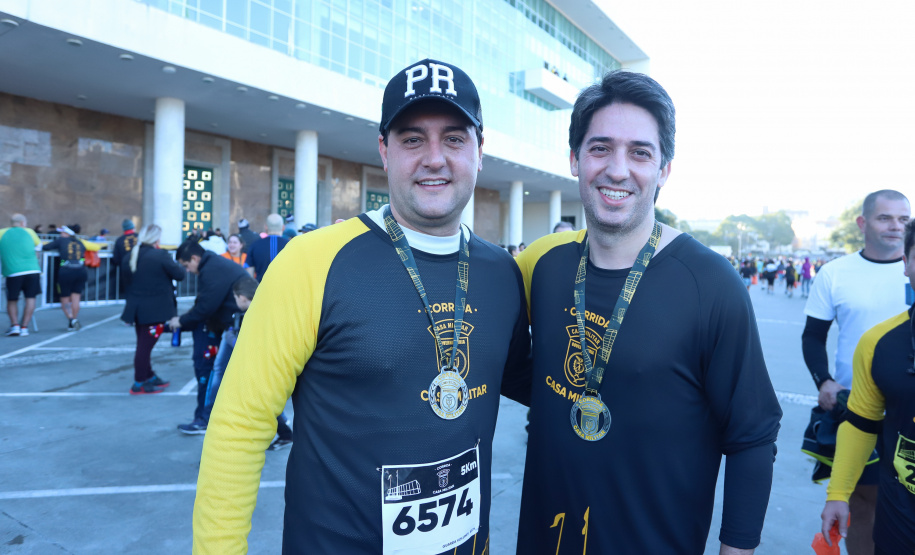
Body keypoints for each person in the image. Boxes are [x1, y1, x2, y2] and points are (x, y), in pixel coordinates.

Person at [193, 58, 531, 554]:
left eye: (455, 138)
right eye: (413, 139)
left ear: (480, 152)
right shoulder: (312, 261)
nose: (434, 158)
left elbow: (542, 385)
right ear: (384, 151)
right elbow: (239, 427)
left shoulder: (503, 273)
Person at [514, 70, 781, 554]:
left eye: (640, 152)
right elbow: (510, 364)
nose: (618, 170)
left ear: (664, 170)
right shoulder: (544, 264)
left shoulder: (711, 284)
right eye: (600, 148)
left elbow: (753, 436)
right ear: (574, 159)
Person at [802, 189, 910, 554]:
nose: (896, 226)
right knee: (863, 503)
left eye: (903, 218)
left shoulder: (909, 267)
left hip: (904, 409)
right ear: (863, 223)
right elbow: (813, 336)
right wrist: (824, 381)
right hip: (858, 409)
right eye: (885, 218)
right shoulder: (835, 273)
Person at [201, 275, 294, 450]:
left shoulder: (256, 314)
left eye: (236, 298)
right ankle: (284, 433)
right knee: (265, 401)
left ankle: (283, 433)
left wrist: (231, 339)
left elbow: (252, 346)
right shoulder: (264, 308)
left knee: (264, 402)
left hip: (259, 368)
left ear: (242, 297)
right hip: (264, 368)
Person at [167, 239, 248, 434]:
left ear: (195, 258)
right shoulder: (213, 264)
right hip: (229, 324)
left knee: (208, 369)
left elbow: (206, 306)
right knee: (221, 372)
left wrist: (182, 321)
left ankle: (204, 418)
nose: (186, 270)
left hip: (233, 326)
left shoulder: (212, 269)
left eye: (186, 265)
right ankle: (208, 416)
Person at [120, 224, 186, 394]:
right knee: (144, 347)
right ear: (157, 239)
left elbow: (125, 281)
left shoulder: (130, 256)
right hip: (155, 310)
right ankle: (139, 381)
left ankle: (148, 375)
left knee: (143, 344)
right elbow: (180, 275)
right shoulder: (159, 255)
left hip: (137, 308)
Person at [0, 214, 42, 337]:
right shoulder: (30, 232)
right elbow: (39, 247)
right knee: (31, 298)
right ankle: (25, 327)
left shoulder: (2, 233)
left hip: (13, 271)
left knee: (12, 299)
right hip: (33, 270)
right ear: (23, 223)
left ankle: (15, 326)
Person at [42, 226, 88, 330]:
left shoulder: (61, 240)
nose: (60, 234)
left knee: (65, 298)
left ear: (67, 233)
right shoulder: (80, 242)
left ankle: (71, 319)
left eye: (62, 232)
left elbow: (46, 247)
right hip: (81, 270)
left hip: (67, 271)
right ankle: (74, 320)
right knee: (76, 298)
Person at [244, 213, 288, 282]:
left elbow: (249, 274)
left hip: (261, 289)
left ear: (266, 227)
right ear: (283, 227)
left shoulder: (255, 245)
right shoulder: (290, 245)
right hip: (285, 290)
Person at [111, 218, 138, 297]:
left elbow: (115, 259)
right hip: (141, 268)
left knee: (129, 293)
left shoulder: (119, 240)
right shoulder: (140, 237)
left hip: (126, 269)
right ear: (133, 227)